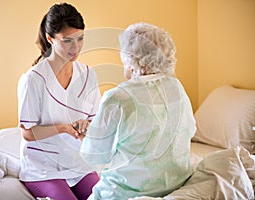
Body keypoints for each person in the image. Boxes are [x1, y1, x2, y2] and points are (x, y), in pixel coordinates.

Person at [80, 22, 196, 199]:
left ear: (131, 60)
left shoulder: (118, 97)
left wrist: (90, 135)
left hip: (126, 191)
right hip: (177, 182)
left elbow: (95, 156)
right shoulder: (175, 86)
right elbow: (190, 130)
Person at [17, 3, 101, 200]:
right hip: (42, 168)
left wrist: (86, 127)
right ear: (50, 39)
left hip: (78, 164)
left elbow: (95, 122)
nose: (76, 47)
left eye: (80, 39)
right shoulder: (33, 79)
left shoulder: (88, 75)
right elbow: (27, 133)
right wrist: (63, 128)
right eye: (67, 41)